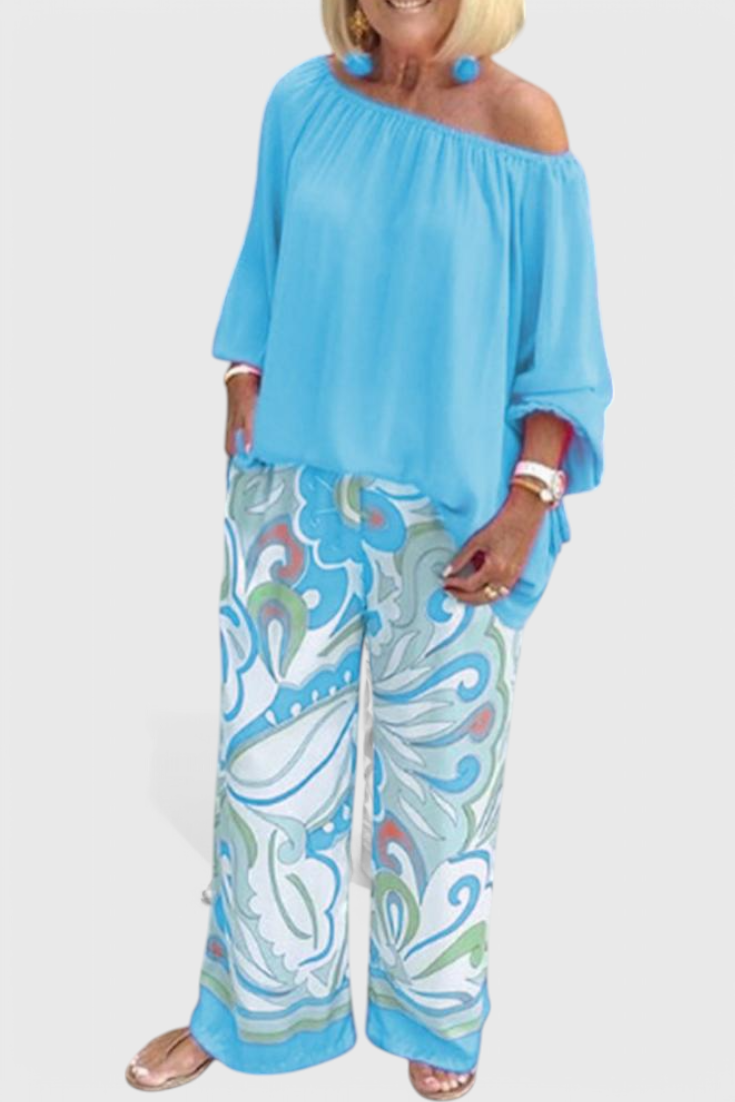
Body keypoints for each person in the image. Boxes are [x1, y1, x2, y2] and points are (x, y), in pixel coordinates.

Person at [125, 1, 613, 1097]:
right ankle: (251, 1011)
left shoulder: (524, 124)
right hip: (293, 499)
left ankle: (435, 1014)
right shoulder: (303, 101)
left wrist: (529, 500)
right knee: (263, 779)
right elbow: (265, 258)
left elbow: (561, 341)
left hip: (454, 515)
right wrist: (242, 375)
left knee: (441, 790)